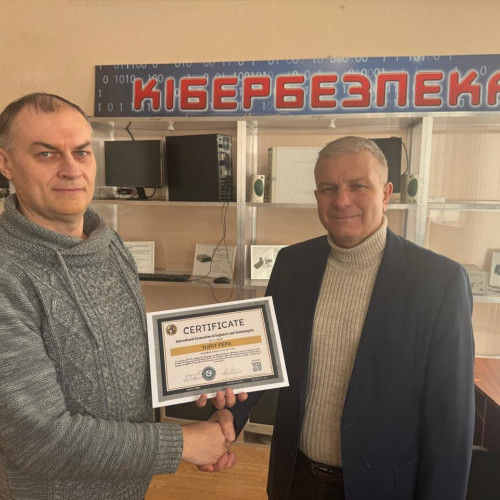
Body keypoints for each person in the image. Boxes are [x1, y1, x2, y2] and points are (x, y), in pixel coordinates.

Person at [0, 92, 243, 499]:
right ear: (6, 162)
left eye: (81, 152)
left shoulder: (108, 243)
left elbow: (122, 361)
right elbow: (39, 440)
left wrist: (205, 374)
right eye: (46, 154)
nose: (71, 169)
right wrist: (185, 443)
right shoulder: (7, 274)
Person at [209, 136, 475, 499]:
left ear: (386, 194)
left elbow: (451, 421)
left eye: (358, 186)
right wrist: (229, 417)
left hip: (384, 488)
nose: (342, 200)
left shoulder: (439, 282)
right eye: (328, 188)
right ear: (317, 196)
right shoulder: (292, 265)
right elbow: (264, 358)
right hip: (295, 480)